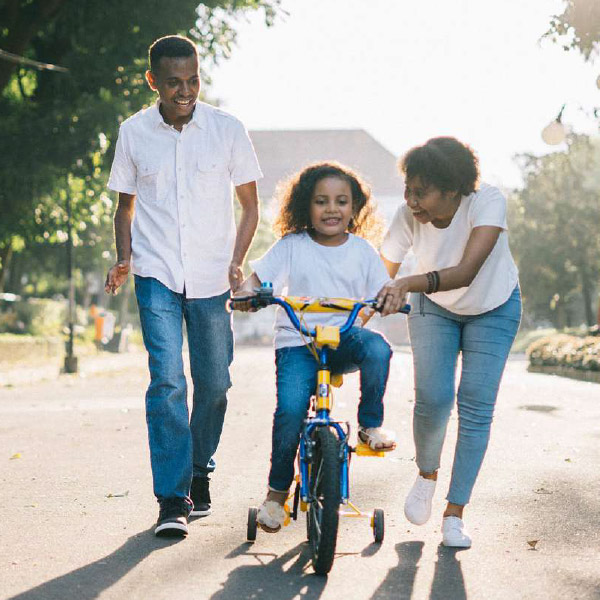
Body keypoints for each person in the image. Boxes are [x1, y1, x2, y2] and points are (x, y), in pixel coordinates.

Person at [104, 35, 262, 538]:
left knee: (215, 384)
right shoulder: (133, 133)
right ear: (153, 81)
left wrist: (238, 261)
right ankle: (172, 497)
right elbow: (124, 206)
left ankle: (199, 469)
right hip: (156, 274)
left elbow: (250, 205)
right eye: (174, 82)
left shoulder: (227, 129)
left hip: (213, 276)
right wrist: (124, 258)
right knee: (168, 381)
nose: (186, 90)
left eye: (193, 80)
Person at [235, 162, 397, 532]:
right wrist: (247, 294)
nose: (331, 209)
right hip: (298, 343)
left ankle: (370, 425)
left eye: (341, 201)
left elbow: (382, 291)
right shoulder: (292, 246)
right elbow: (256, 280)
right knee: (291, 411)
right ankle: (276, 495)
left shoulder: (362, 251)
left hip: (343, 340)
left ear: (354, 208)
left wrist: (389, 299)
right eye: (321, 201)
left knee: (378, 349)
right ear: (305, 207)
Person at [377, 137, 521, 548]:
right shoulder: (408, 215)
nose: (411, 201)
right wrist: (357, 313)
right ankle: (426, 474)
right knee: (434, 398)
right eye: (408, 189)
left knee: (475, 405)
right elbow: (378, 273)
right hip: (434, 308)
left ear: (453, 190)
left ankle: (455, 514)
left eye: (421, 192)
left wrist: (405, 282)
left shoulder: (486, 202)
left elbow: (466, 272)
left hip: (493, 306)